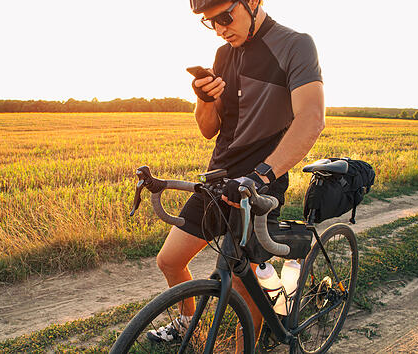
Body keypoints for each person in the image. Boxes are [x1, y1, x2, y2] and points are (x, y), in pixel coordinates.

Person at [147, 0, 325, 348]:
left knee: (242, 284)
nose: (219, 28)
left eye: (225, 17)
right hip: (218, 178)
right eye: (210, 22)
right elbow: (208, 129)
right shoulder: (223, 55)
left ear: (253, 2)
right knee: (169, 260)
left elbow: (311, 119)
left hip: (259, 182)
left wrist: (260, 177)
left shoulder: (295, 45)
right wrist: (203, 99)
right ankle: (187, 324)